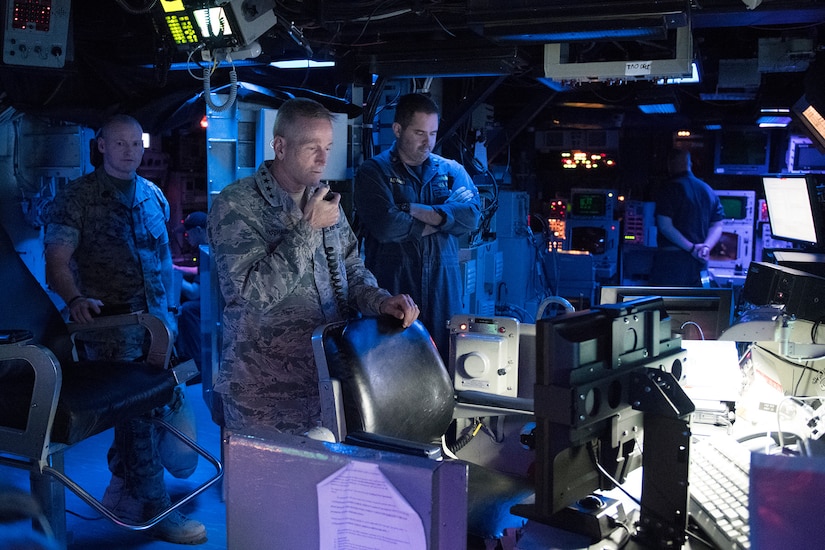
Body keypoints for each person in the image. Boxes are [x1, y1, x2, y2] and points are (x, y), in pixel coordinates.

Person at [208, 97, 420, 435]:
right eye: (312, 148)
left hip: (326, 381)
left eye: (328, 147)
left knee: (321, 486)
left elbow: (351, 269)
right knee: (266, 487)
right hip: (265, 392)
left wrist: (381, 301)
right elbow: (252, 294)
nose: (324, 159)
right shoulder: (236, 205)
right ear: (280, 146)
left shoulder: (323, 198)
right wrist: (308, 229)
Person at [43, 114, 206, 545]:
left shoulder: (153, 197)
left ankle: (121, 487)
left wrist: (171, 312)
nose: (130, 151)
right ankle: (155, 509)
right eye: (120, 144)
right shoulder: (77, 198)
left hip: (158, 326)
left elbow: (162, 260)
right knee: (139, 416)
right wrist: (75, 299)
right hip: (111, 329)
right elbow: (57, 262)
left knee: (158, 419)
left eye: (136, 144)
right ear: (101, 146)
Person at [353, 93, 481, 361]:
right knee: (392, 372)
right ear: (397, 130)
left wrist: (410, 209)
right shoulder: (373, 171)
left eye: (433, 133)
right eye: (420, 132)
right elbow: (386, 226)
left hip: (443, 294)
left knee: (444, 367)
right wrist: (446, 219)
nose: (428, 142)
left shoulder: (451, 171)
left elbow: (470, 218)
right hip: (394, 293)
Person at [651, 149, 725, 287]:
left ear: (670, 164)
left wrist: (692, 248)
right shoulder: (707, 190)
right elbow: (717, 225)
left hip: (671, 264)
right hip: (699, 263)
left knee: (666, 306)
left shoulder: (669, 189)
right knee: (695, 306)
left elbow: (665, 226)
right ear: (690, 163)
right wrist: (706, 247)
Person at [174, 211, 208, 374]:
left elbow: (194, 293)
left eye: (188, 233)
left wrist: (174, 277)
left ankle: (196, 364)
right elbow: (200, 271)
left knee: (188, 309)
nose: (186, 237)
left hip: (219, 307)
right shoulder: (210, 246)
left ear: (199, 231)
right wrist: (179, 269)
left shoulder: (206, 252)